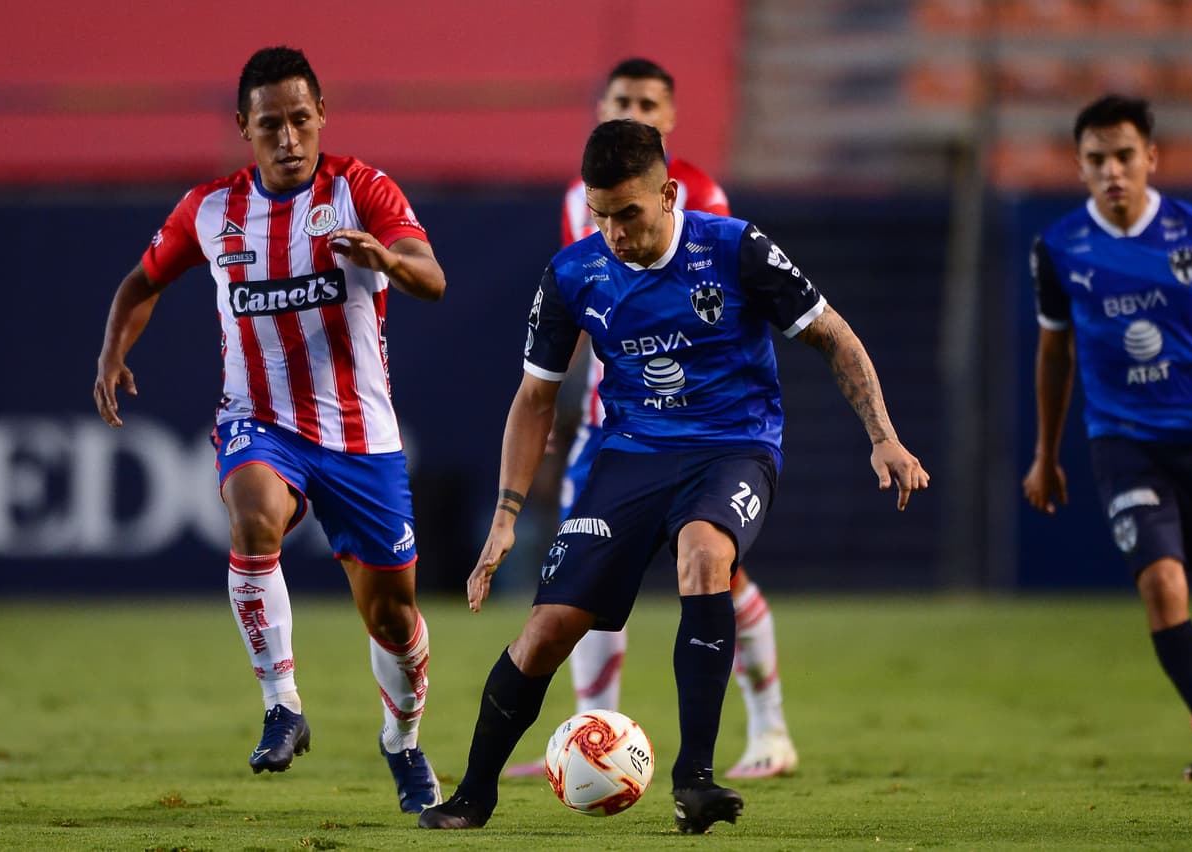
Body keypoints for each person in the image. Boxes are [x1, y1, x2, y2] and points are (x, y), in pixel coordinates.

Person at [419, 119, 929, 832]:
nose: (615, 233)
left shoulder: (735, 248)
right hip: (629, 456)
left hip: (733, 447)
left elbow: (832, 334)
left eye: (628, 213)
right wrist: (505, 517)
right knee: (546, 630)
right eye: (601, 216)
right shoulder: (573, 273)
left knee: (704, 554)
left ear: (670, 192)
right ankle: (474, 796)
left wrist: (885, 437)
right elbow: (535, 398)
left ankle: (694, 780)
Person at [93, 46, 444, 813]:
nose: (288, 137)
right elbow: (142, 280)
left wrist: (385, 256)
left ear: (322, 117)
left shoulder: (362, 190)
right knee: (254, 517)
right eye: (269, 124)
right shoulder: (210, 209)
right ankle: (282, 703)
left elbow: (431, 276)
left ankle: (404, 742)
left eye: (300, 120)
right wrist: (113, 351)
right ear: (243, 130)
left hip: (359, 436)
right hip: (260, 421)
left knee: (393, 617)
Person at [507, 56, 798, 781]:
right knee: (581, 581)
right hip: (618, 424)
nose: (633, 111)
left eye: (648, 102)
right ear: (599, 106)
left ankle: (770, 728)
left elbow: (718, 306)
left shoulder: (699, 197)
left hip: (702, 428)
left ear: (669, 120)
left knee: (715, 571)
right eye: (621, 100)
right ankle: (582, 741)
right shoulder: (583, 198)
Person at [1024, 94, 1192, 781]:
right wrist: (1044, 455)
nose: (1113, 171)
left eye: (1125, 156)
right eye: (1097, 160)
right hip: (1123, 442)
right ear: (1079, 167)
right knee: (1163, 582)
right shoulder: (1059, 249)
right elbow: (1055, 355)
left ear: (1151, 157)